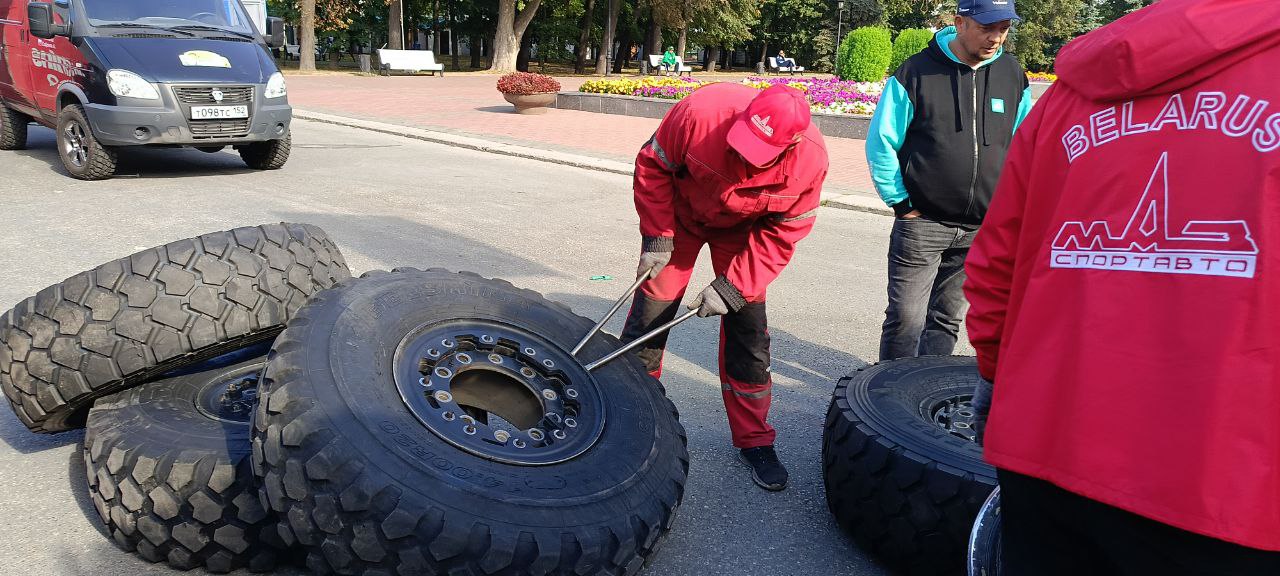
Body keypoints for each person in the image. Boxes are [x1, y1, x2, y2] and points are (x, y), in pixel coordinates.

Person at [964, 0, 1280, 573]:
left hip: (1047, 445)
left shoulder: (1066, 96)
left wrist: (993, 373)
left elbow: (995, 265)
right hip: (1232, 488)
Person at [623, 83, 828, 491]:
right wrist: (657, 236)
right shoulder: (700, 113)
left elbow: (782, 234)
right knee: (652, 312)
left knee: (747, 334)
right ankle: (632, 415)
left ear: (791, 146)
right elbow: (652, 166)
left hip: (743, 233)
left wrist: (734, 287)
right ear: (745, 115)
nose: (743, 159)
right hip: (680, 217)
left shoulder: (810, 162)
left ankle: (754, 438)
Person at [864, 0, 1032, 361]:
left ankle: (924, 400)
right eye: (987, 27)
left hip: (980, 227)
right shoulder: (916, 72)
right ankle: (888, 401)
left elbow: (1024, 145)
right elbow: (882, 142)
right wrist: (902, 205)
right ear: (959, 23)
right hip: (922, 224)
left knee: (945, 320)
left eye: (1003, 28)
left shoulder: (1012, 73)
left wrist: (1009, 208)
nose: (995, 37)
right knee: (905, 320)